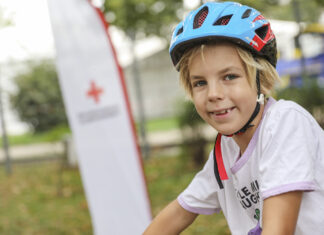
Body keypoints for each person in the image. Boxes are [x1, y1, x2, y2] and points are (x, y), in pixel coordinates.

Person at [143, 1, 324, 235]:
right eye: (200, 83)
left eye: (229, 76)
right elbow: (178, 212)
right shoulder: (225, 152)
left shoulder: (285, 122)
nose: (214, 94)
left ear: (262, 79)